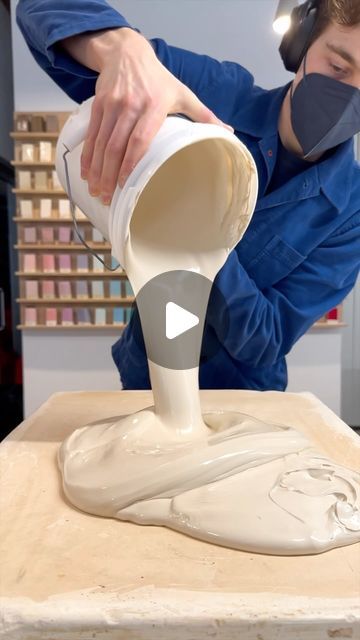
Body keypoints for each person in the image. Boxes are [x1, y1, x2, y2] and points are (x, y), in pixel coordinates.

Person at [16, 0, 360, 391]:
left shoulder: (351, 210)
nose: (349, 95)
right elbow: (38, 8)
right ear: (301, 44)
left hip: (244, 394)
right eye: (336, 67)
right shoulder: (216, 93)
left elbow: (269, 340)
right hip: (145, 371)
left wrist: (200, 236)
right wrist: (123, 51)